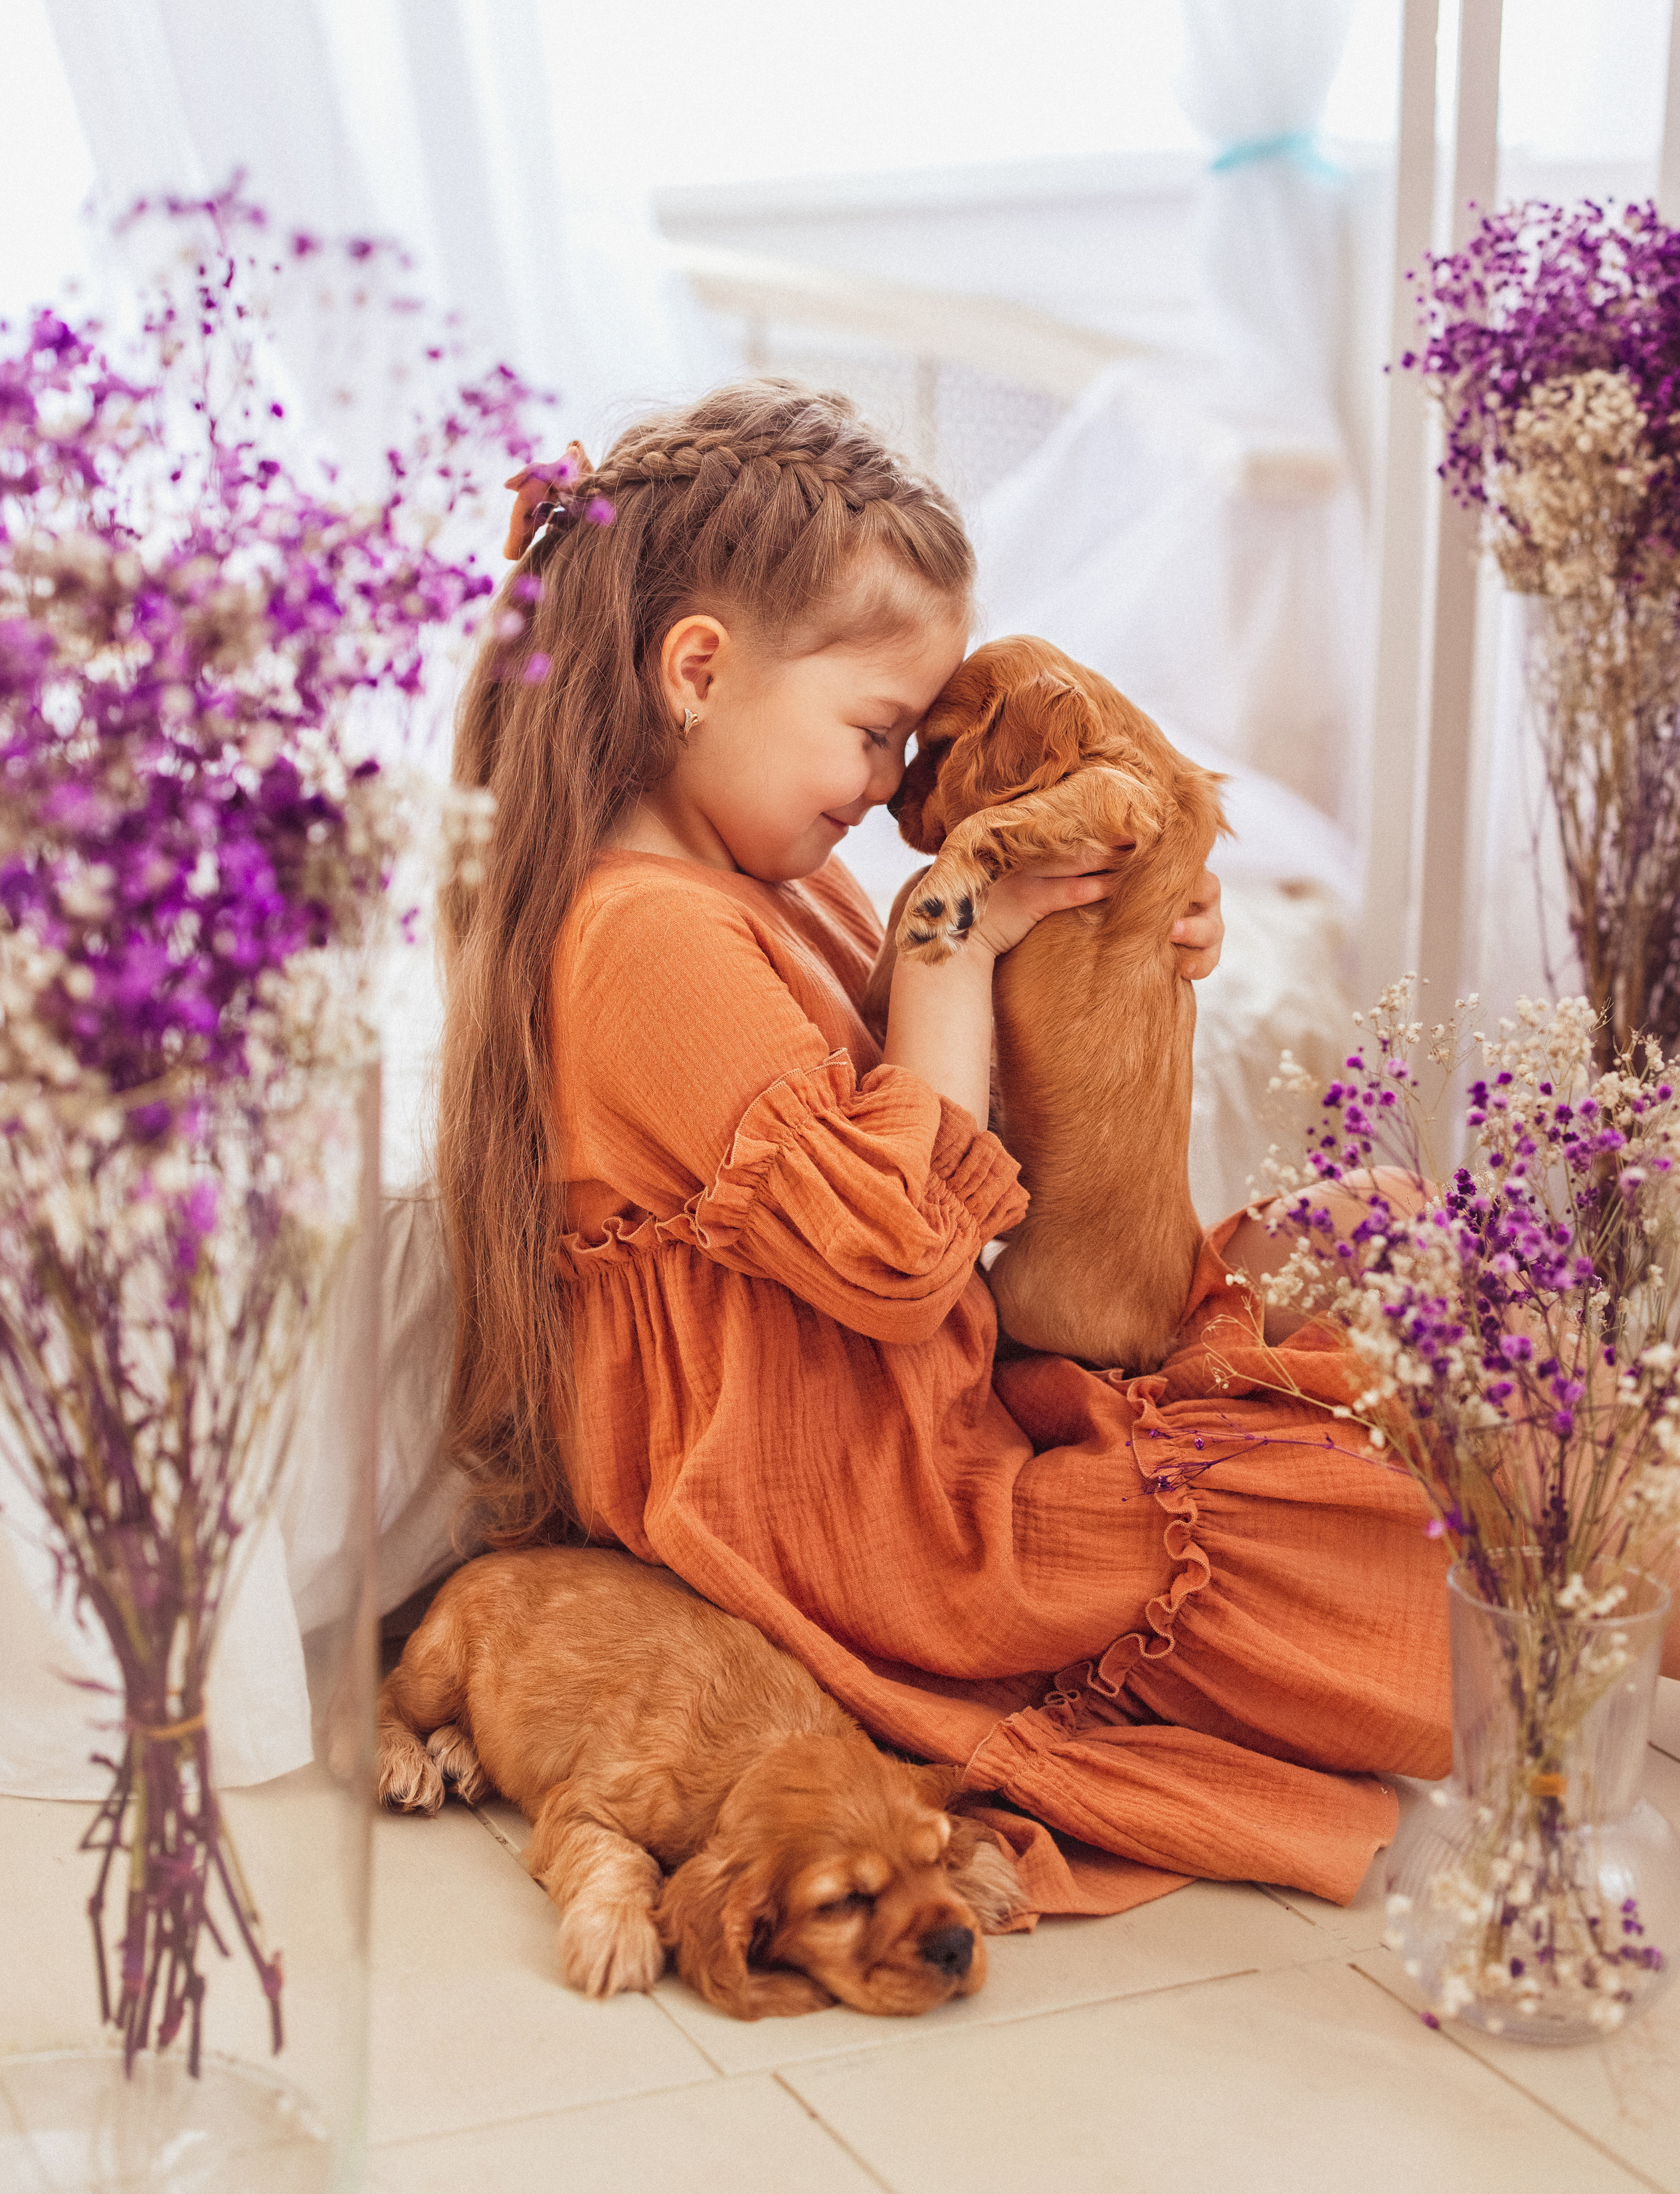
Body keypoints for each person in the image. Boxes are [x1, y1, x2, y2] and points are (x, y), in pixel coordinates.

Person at [434, 379, 1453, 1916]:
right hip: (873, 1514)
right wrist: (951, 945)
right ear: (696, 671)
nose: (892, 795)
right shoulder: (635, 937)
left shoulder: (767, 879)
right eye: (872, 733)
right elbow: (907, 1253)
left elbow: (974, 1120)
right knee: (1377, 1488)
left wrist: (1105, 941)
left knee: (1399, 1279)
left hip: (922, 1425)